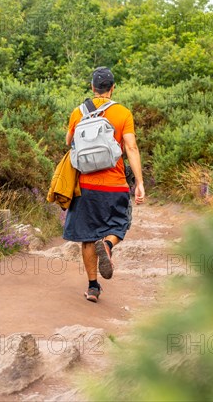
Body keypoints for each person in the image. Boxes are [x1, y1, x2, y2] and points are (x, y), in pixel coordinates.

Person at [63, 67, 145, 303]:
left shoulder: (78, 113)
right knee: (120, 224)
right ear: (113, 88)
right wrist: (139, 182)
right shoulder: (122, 113)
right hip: (115, 185)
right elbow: (131, 147)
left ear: (92, 88)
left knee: (88, 236)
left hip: (86, 185)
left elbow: (69, 142)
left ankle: (92, 288)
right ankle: (108, 244)